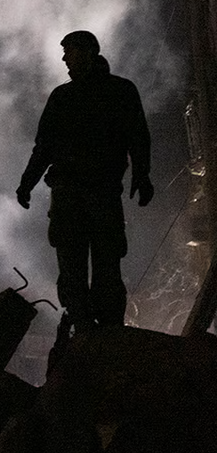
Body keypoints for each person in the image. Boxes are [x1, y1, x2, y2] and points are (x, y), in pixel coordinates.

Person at [16, 30, 154, 333]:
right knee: (77, 269)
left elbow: (137, 137)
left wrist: (143, 175)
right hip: (80, 194)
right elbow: (44, 148)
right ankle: (87, 329)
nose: (64, 58)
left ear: (88, 52)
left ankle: (103, 333)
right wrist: (27, 182)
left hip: (90, 194)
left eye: (70, 51)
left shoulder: (106, 92)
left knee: (100, 267)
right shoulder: (74, 95)